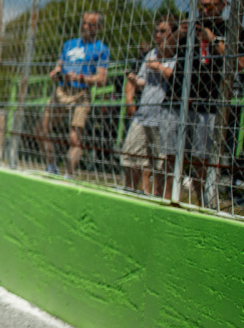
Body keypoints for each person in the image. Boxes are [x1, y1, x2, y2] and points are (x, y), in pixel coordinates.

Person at [166, 0, 244, 203]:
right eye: (200, 6)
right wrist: (178, 33)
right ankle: (166, 197)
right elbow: (164, 51)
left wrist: (213, 39)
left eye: (210, 6)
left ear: (222, 5)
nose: (204, 11)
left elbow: (240, 63)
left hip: (209, 103)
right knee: (170, 155)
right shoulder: (189, 28)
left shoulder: (234, 30)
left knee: (202, 159)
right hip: (179, 101)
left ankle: (205, 201)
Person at [38, 10, 110, 177]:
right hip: (62, 90)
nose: (85, 26)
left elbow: (101, 79)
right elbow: (59, 65)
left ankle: (68, 176)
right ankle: (51, 165)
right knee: (41, 128)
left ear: (98, 27)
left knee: (74, 137)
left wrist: (79, 77)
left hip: (81, 93)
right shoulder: (69, 44)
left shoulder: (101, 49)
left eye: (90, 24)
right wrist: (56, 73)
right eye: (84, 23)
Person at [120, 17, 177, 195]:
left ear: (173, 34)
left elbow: (177, 79)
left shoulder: (177, 55)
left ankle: (158, 198)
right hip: (143, 113)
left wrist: (158, 67)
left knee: (160, 163)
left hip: (162, 115)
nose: (158, 35)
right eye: (156, 31)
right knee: (131, 156)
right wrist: (134, 80)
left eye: (163, 31)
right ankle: (130, 192)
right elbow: (144, 82)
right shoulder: (151, 53)